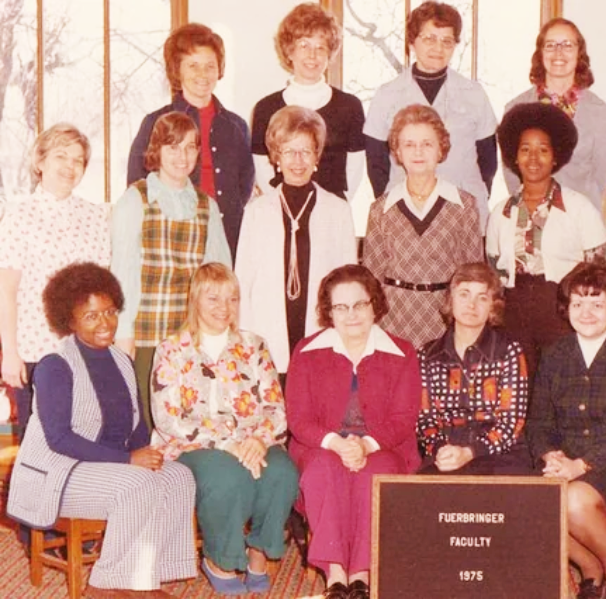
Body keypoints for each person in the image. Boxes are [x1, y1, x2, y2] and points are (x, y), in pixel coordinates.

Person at [6, 262, 196, 599]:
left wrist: (147, 454)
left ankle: (146, 578)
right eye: (91, 316)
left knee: (177, 477)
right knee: (138, 483)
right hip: (61, 473)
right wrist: (128, 460)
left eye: (109, 312)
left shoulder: (121, 360)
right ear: (70, 319)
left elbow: (136, 423)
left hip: (108, 466)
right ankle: (103, 585)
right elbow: (59, 439)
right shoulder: (55, 365)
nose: (104, 323)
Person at [151, 263, 297, 596]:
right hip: (195, 445)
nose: (224, 307)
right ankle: (220, 561)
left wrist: (260, 441)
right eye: (213, 298)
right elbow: (169, 418)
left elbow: (276, 407)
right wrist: (228, 445)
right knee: (228, 477)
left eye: (232, 299)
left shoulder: (253, 345)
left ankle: (258, 554)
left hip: (253, 440)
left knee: (282, 473)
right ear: (195, 300)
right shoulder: (172, 350)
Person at [285, 264, 421, 599]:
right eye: (340, 307)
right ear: (328, 312)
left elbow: (404, 417)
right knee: (323, 470)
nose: (351, 315)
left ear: (375, 304)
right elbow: (298, 418)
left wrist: (367, 445)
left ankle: (361, 573)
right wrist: (335, 443)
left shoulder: (402, 352)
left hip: (384, 446)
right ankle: (335, 575)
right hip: (320, 445)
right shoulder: (306, 351)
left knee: (376, 474)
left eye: (359, 304)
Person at [527, 259, 606, 599]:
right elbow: (539, 420)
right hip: (565, 458)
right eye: (578, 303)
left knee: (573, 499)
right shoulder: (554, 354)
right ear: (566, 308)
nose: (586, 312)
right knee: (529, 499)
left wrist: (579, 466)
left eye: (597, 304)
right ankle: (590, 566)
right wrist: (549, 455)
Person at [112, 111, 231, 426]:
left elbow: (220, 278)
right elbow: (122, 275)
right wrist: (124, 338)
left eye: (191, 147)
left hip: (191, 336)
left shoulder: (207, 206)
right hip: (146, 336)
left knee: (189, 421)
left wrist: (218, 332)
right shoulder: (134, 200)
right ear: (157, 151)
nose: (183, 156)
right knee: (147, 423)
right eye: (173, 147)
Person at [0, 124, 110, 434]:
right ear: (40, 162)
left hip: (83, 353)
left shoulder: (94, 217)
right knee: (37, 448)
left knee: (83, 442)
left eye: (78, 160)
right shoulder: (18, 216)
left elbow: (99, 292)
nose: (70, 166)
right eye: (61, 156)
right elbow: (5, 291)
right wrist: (10, 353)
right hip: (35, 352)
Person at [236, 105, 357, 379]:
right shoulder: (257, 211)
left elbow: (347, 284)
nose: (298, 160)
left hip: (323, 336)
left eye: (306, 151)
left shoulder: (337, 210)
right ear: (276, 157)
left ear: (317, 156)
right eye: (289, 151)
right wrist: (247, 341)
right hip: (267, 337)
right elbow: (243, 280)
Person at [487, 102, 606, 375]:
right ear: (514, 157)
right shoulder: (500, 213)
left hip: (563, 311)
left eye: (543, 150)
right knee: (519, 385)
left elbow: (599, 273)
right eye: (525, 149)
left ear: (555, 157)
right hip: (514, 312)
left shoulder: (580, 208)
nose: (533, 158)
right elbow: (496, 272)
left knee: (561, 383)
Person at [364, 0, 497, 231]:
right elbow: (376, 164)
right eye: (429, 38)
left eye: (447, 41)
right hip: (405, 209)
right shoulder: (387, 95)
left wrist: (469, 189)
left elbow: (488, 160)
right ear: (412, 42)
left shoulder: (474, 93)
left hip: (463, 210)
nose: (438, 48)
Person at [128, 23, 254, 259]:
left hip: (225, 240)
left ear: (219, 70)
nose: (202, 74)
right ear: (178, 69)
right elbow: (137, 184)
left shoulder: (237, 126)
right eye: (193, 66)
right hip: (171, 239)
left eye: (210, 66)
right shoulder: (155, 122)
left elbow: (244, 186)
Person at [363, 104, 482, 348]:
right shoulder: (380, 209)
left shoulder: (464, 205)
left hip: (446, 321)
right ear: (397, 151)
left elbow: (474, 277)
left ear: (441, 149)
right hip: (393, 322)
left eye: (427, 144)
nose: (418, 152)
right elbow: (372, 281)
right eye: (409, 144)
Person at [417, 262, 530, 475]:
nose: (472, 304)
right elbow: (425, 419)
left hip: (499, 452)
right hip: (446, 450)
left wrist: (470, 452)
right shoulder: (427, 355)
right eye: (464, 294)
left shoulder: (509, 351)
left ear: (493, 306)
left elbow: (511, 422)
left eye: (482, 297)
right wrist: (441, 449)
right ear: (451, 300)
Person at [251, 3, 365, 202]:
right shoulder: (265, 109)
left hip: (332, 214)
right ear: (289, 51)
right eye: (304, 45)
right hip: (280, 211)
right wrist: (283, 209)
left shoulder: (350, 107)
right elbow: (262, 168)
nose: (313, 55)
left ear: (329, 55)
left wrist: (332, 209)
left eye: (320, 47)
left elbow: (354, 169)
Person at [504, 18, 606, 216]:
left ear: (579, 53)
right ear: (540, 53)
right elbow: (511, 173)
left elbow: (599, 177)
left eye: (567, 45)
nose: (558, 53)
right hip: (531, 217)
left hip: (580, 220)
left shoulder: (599, 111)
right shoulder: (516, 110)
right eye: (550, 45)